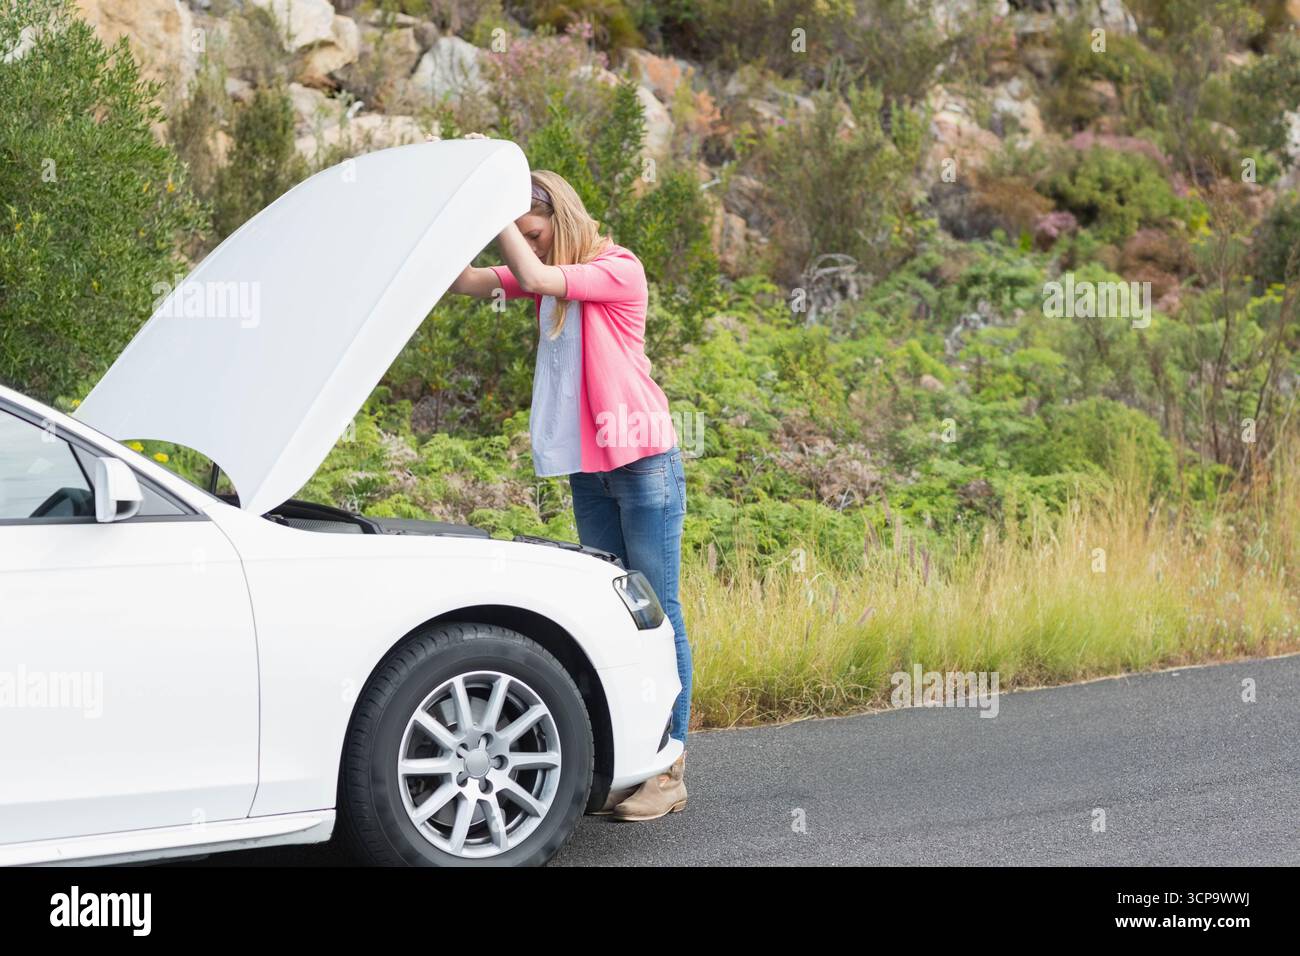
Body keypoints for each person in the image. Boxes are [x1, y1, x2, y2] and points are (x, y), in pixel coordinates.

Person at [449, 148, 691, 821]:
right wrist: (453, 205)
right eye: (522, 233)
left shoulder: (615, 269)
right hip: (591, 470)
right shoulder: (551, 274)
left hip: (643, 464)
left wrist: (498, 206)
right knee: (617, 613)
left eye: (533, 230)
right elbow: (467, 282)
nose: (527, 245)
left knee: (658, 612)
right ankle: (635, 759)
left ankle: (671, 769)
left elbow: (527, 270)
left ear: (560, 217)